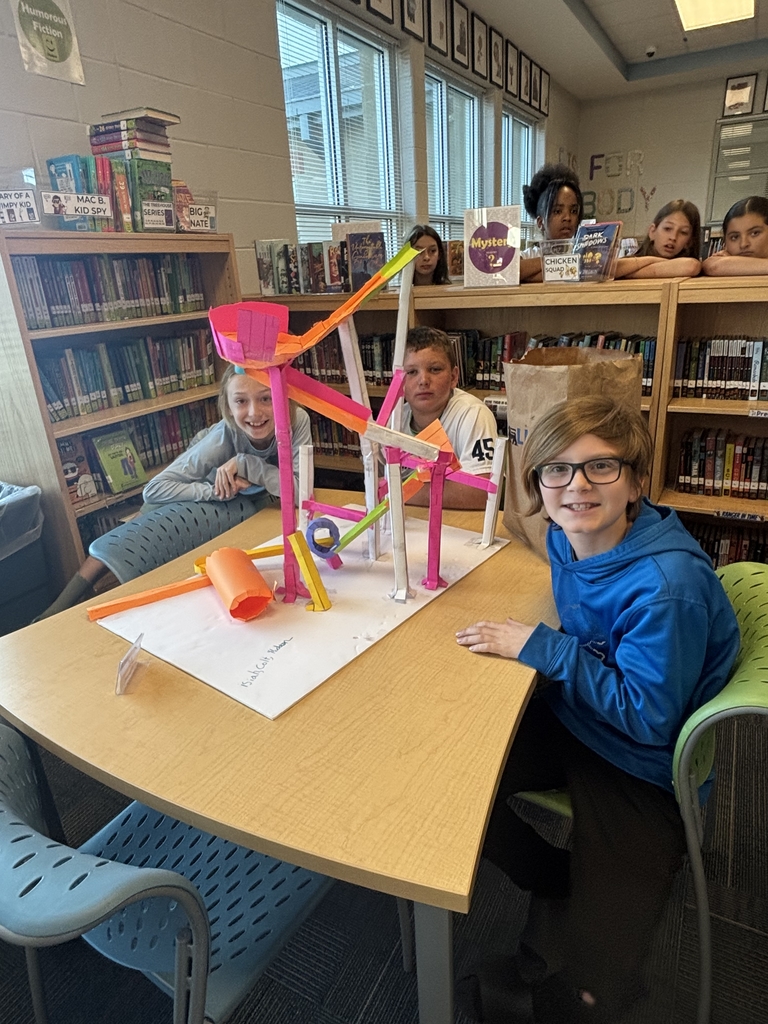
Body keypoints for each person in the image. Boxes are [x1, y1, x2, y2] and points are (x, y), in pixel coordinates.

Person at [455, 396, 740, 1024]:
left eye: (600, 468)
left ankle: (575, 924)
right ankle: (555, 875)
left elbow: (649, 719)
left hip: (641, 763)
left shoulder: (665, 588)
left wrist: (545, 647)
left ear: (637, 480)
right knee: (449, 783)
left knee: (592, 991)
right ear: (537, 485)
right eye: (555, 470)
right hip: (579, 717)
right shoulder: (566, 534)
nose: (576, 486)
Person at [37, 367, 311, 618]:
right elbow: (155, 489)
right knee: (128, 539)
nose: (254, 413)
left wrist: (245, 464)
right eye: (241, 401)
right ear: (228, 407)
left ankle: (71, 611)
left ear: (284, 398)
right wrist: (212, 491)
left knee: (151, 550)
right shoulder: (222, 435)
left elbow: (301, 490)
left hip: (237, 499)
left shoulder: (296, 420)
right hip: (197, 489)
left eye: (266, 398)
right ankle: (54, 612)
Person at [398, 326, 497, 509]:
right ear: (399, 382)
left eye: (435, 369)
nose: (423, 381)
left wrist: (399, 493)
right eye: (412, 372)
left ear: (453, 377)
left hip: (461, 526)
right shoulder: (394, 420)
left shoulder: (473, 414)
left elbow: (482, 493)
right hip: (413, 521)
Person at [520, 164, 583, 282]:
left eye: (574, 211)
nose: (568, 218)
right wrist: (562, 263)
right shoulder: (528, 256)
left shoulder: (583, 254)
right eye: (557, 211)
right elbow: (513, 272)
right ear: (540, 222)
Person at [614, 199, 702, 279]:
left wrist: (626, 273)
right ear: (652, 231)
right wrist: (654, 260)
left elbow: (691, 266)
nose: (673, 237)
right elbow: (610, 270)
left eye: (683, 232)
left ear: (689, 242)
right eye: (667, 228)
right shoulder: (630, 260)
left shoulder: (692, 267)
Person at [703, 195, 768, 276]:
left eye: (754, 233)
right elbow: (714, 266)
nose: (743, 244)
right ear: (725, 244)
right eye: (734, 237)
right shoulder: (719, 262)